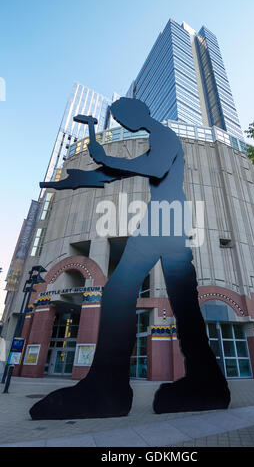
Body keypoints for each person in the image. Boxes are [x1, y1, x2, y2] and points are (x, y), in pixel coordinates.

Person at [30, 98, 230, 420]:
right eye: (119, 121)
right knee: (180, 299)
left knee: (122, 290)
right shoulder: (157, 139)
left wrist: (108, 159)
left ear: (139, 113)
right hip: (165, 219)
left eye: (124, 118)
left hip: (165, 219)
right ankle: (204, 381)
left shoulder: (164, 136)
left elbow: (153, 168)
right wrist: (78, 178)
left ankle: (109, 387)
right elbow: (117, 171)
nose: (124, 124)